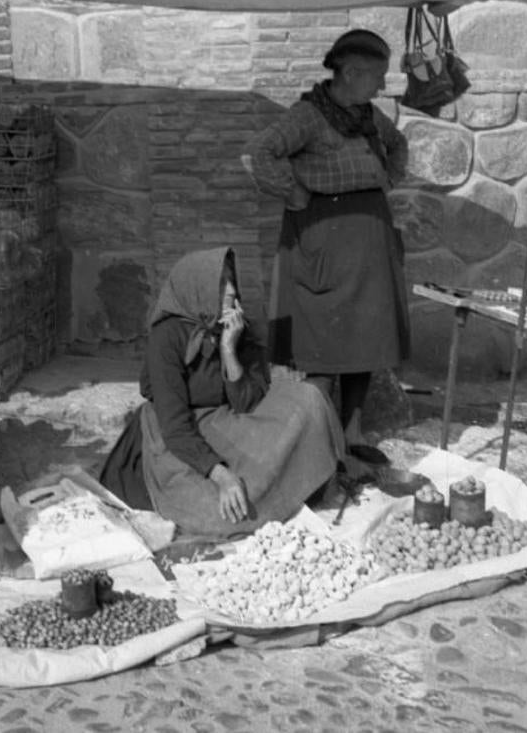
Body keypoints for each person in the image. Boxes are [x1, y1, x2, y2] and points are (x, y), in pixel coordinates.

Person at [99, 246, 344, 538]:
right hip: (177, 435)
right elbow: (175, 427)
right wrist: (222, 476)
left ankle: (298, 481)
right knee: (217, 511)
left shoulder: (233, 327)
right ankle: (271, 494)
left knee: (309, 399)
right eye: (219, 290)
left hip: (225, 419)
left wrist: (229, 349)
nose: (231, 296)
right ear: (197, 291)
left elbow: (246, 402)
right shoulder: (167, 337)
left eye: (231, 287)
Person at [244, 28, 410, 454]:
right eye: (377, 75)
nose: (383, 85)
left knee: (366, 341)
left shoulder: (369, 115)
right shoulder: (308, 116)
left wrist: (388, 180)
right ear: (350, 73)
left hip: (369, 238)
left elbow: (398, 145)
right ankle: (318, 444)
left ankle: (351, 435)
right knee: (321, 345)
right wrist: (293, 192)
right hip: (323, 239)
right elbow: (261, 153)